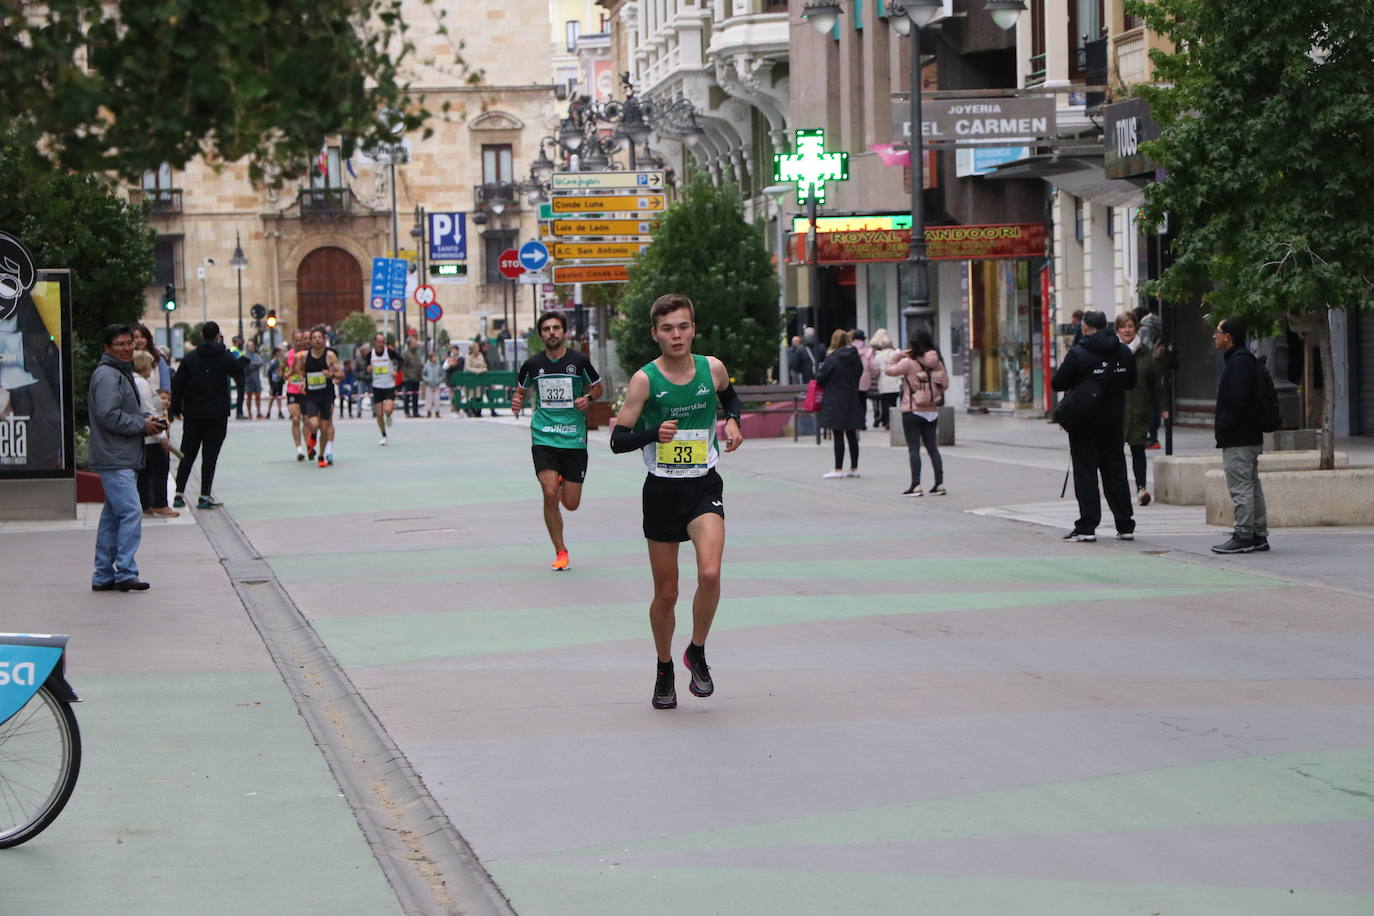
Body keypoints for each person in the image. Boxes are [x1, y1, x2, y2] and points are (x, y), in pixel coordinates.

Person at [609, 293, 744, 710]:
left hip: (703, 484)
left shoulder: (711, 368)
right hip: (662, 491)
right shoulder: (645, 381)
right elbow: (618, 440)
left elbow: (730, 395)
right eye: (668, 329)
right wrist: (654, 434)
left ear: (693, 328)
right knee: (666, 593)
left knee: (710, 572)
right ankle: (664, 666)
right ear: (656, 334)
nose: (677, 335)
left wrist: (733, 420)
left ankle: (697, 650)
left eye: (683, 326)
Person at [511, 311, 605, 571]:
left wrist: (589, 398)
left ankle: (564, 481)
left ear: (564, 332)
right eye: (546, 329)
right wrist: (517, 401)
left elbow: (598, 387)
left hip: (574, 438)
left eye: (556, 328)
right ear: (541, 334)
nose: (551, 332)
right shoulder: (531, 365)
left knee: (571, 504)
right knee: (549, 493)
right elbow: (520, 392)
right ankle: (560, 550)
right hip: (543, 435)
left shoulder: (579, 361)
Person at [89, 324, 165, 591]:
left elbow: (117, 412)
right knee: (131, 511)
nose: (126, 348)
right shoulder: (109, 375)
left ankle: (103, 575)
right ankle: (125, 572)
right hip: (115, 456)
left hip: (120, 454)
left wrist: (146, 420)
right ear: (108, 348)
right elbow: (107, 415)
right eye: (120, 344)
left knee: (113, 516)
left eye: (129, 343)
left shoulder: (119, 373)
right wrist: (142, 425)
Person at [1051, 308, 1137, 542]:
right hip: (1113, 421)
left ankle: (1088, 526)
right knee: (1116, 471)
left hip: (1084, 422)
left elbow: (1057, 383)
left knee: (1086, 472)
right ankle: (1125, 525)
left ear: (1085, 327)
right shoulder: (1124, 352)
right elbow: (1131, 382)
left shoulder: (1079, 353)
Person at [1211, 317, 1270, 554]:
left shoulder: (1239, 364)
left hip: (1239, 437)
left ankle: (1244, 534)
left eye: (1218, 332)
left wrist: (1224, 426)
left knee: (1241, 486)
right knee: (1251, 484)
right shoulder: (1243, 361)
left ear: (1229, 337)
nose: (1214, 336)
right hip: (1248, 436)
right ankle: (1258, 534)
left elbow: (1237, 402)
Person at [170, 320, 243, 508]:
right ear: (217, 336)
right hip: (217, 414)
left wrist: (176, 409)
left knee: (188, 454)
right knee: (210, 456)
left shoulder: (190, 358)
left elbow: (177, 385)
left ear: (202, 335)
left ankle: (179, 494)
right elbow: (239, 371)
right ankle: (204, 496)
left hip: (194, 413)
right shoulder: (224, 357)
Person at [885, 328, 949, 496]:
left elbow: (889, 370)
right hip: (932, 410)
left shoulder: (909, 362)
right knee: (932, 448)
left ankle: (916, 484)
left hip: (913, 410)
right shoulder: (937, 361)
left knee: (914, 448)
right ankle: (939, 484)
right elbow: (945, 384)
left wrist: (898, 354)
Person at [1116, 312, 1167, 506]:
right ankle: (1119, 490)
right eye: (1123, 327)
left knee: (1138, 449)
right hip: (1117, 411)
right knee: (1116, 453)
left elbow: (1155, 384)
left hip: (1139, 409)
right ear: (1117, 330)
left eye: (1130, 326)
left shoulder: (1145, 353)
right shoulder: (1113, 352)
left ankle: (1141, 489)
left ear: (1136, 328)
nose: (1127, 330)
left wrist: (1162, 407)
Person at [132, 350, 177, 517]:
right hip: (152, 436)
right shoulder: (142, 384)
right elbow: (150, 411)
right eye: (150, 365)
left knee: (145, 473)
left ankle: (145, 504)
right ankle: (160, 503)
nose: (152, 369)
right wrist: (163, 436)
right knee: (160, 468)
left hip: (143, 437)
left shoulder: (134, 381)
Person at [816, 328, 864, 478]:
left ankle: (838, 469)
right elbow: (860, 373)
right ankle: (854, 468)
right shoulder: (856, 357)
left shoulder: (833, 358)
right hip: (852, 398)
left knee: (838, 434)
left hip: (835, 399)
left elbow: (820, 378)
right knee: (851, 434)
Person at [296, 325, 343, 467]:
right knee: (314, 424)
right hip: (311, 396)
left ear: (324, 339)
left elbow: (342, 374)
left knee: (324, 427)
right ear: (310, 341)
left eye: (319, 338)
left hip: (326, 395)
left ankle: (321, 456)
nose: (317, 340)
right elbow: (298, 370)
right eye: (314, 338)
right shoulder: (304, 356)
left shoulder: (330, 356)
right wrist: (302, 381)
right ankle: (313, 436)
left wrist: (332, 374)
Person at [364, 332, 401, 445]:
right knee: (379, 414)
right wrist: (368, 369)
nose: (381, 344)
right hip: (377, 386)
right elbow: (367, 367)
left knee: (388, 410)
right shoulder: (370, 355)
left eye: (383, 342)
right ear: (375, 342)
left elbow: (402, 360)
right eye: (379, 342)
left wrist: (396, 371)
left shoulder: (389, 352)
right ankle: (383, 435)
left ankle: (389, 415)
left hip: (389, 385)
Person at [282, 329, 309, 459]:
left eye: (301, 340)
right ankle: (299, 449)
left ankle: (309, 446)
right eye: (296, 340)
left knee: (307, 420)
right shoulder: (288, 356)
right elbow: (282, 371)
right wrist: (285, 376)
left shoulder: (308, 355)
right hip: (292, 390)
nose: (299, 343)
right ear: (293, 341)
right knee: (296, 418)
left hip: (306, 391)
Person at [869, 328, 900, 429]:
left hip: (883, 382)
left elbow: (875, 369)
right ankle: (894, 421)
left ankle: (886, 422)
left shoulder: (878, 356)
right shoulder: (895, 353)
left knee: (884, 404)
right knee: (893, 403)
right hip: (894, 382)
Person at [851, 329, 877, 429]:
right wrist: (875, 373)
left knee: (854, 401)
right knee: (862, 400)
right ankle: (862, 422)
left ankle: (855, 421)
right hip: (864, 379)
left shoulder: (850, 348)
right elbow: (873, 365)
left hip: (852, 379)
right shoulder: (869, 350)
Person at [464, 339, 488, 418]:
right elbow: (468, 368)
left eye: (478, 347)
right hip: (471, 380)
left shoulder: (480, 355)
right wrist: (478, 370)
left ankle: (479, 411)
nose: (478, 349)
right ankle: (472, 410)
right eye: (476, 348)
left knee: (480, 396)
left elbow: (484, 365)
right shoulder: (468, 356)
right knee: (472, 396)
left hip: (480, 380)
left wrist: (482, 369)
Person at [401, 336, 424, 419]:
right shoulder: (405, 353)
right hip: (408, 378)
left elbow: (419, 363)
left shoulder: (417, 352)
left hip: (416, 377)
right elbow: (403, 366)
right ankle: (407, 411)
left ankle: (415, 412)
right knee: (407, 395)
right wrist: (408, 374)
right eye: (414, 342)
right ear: (409, 344)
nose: (416, 344)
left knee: (415, 395)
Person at [241, 340, 264, 418]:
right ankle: (249, 413)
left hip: (256, 380)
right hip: (249, 380)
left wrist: (252, 365)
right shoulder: (245, 356)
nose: (252, 347)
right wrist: (254, 365)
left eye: (252, 345)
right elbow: (246, 366)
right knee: (249, 397)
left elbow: (261, 363)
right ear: (247, 347)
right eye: (250, 345)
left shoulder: (256, 356)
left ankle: (258, 412)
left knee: (258, 396)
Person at [421, 351, 445, 417]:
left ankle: (437, 412)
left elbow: (442, 374)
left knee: (437, 399)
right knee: (429, 399)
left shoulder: (438, 366)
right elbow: (423, 375)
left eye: (436, 357)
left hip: (436, 385)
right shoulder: (427, 366)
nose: (436, 358)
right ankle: (428, 412)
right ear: (430, 358)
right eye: (434, 357)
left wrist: (439, 380)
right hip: (429, 385)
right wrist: (427, 380)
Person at [265, 345, 286, 419]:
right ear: (276, 353)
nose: (281, 353)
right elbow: (269, 371)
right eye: (279, 352)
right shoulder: (273, 362)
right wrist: (270, 381)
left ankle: (280, 412)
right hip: (274, 381)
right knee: (273, 397)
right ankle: (268, 412)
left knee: (279, 397)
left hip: (279, 381)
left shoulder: (279, 361)